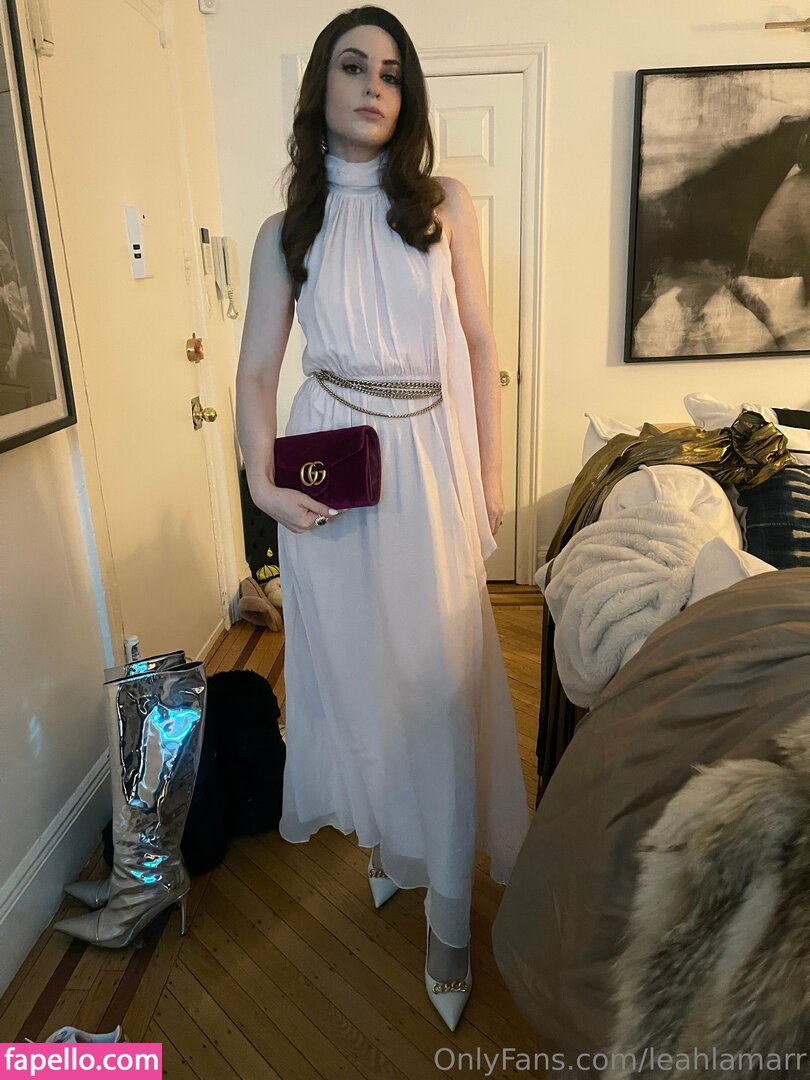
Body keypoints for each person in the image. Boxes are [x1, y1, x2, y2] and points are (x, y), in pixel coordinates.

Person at [235, 5, 529, 1031]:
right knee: (358, 681)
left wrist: (489, 477)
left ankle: (448, 913)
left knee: (438, 688)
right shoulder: (285, 231)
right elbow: (258, 372)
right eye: (354, 66)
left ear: (408, 99)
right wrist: (262, 484)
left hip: (428, 470)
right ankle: (394, 846)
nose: (373, 85)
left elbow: (481, 344)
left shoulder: (444, 206)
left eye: (392, 73)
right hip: (330, 476)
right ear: (321, 84)